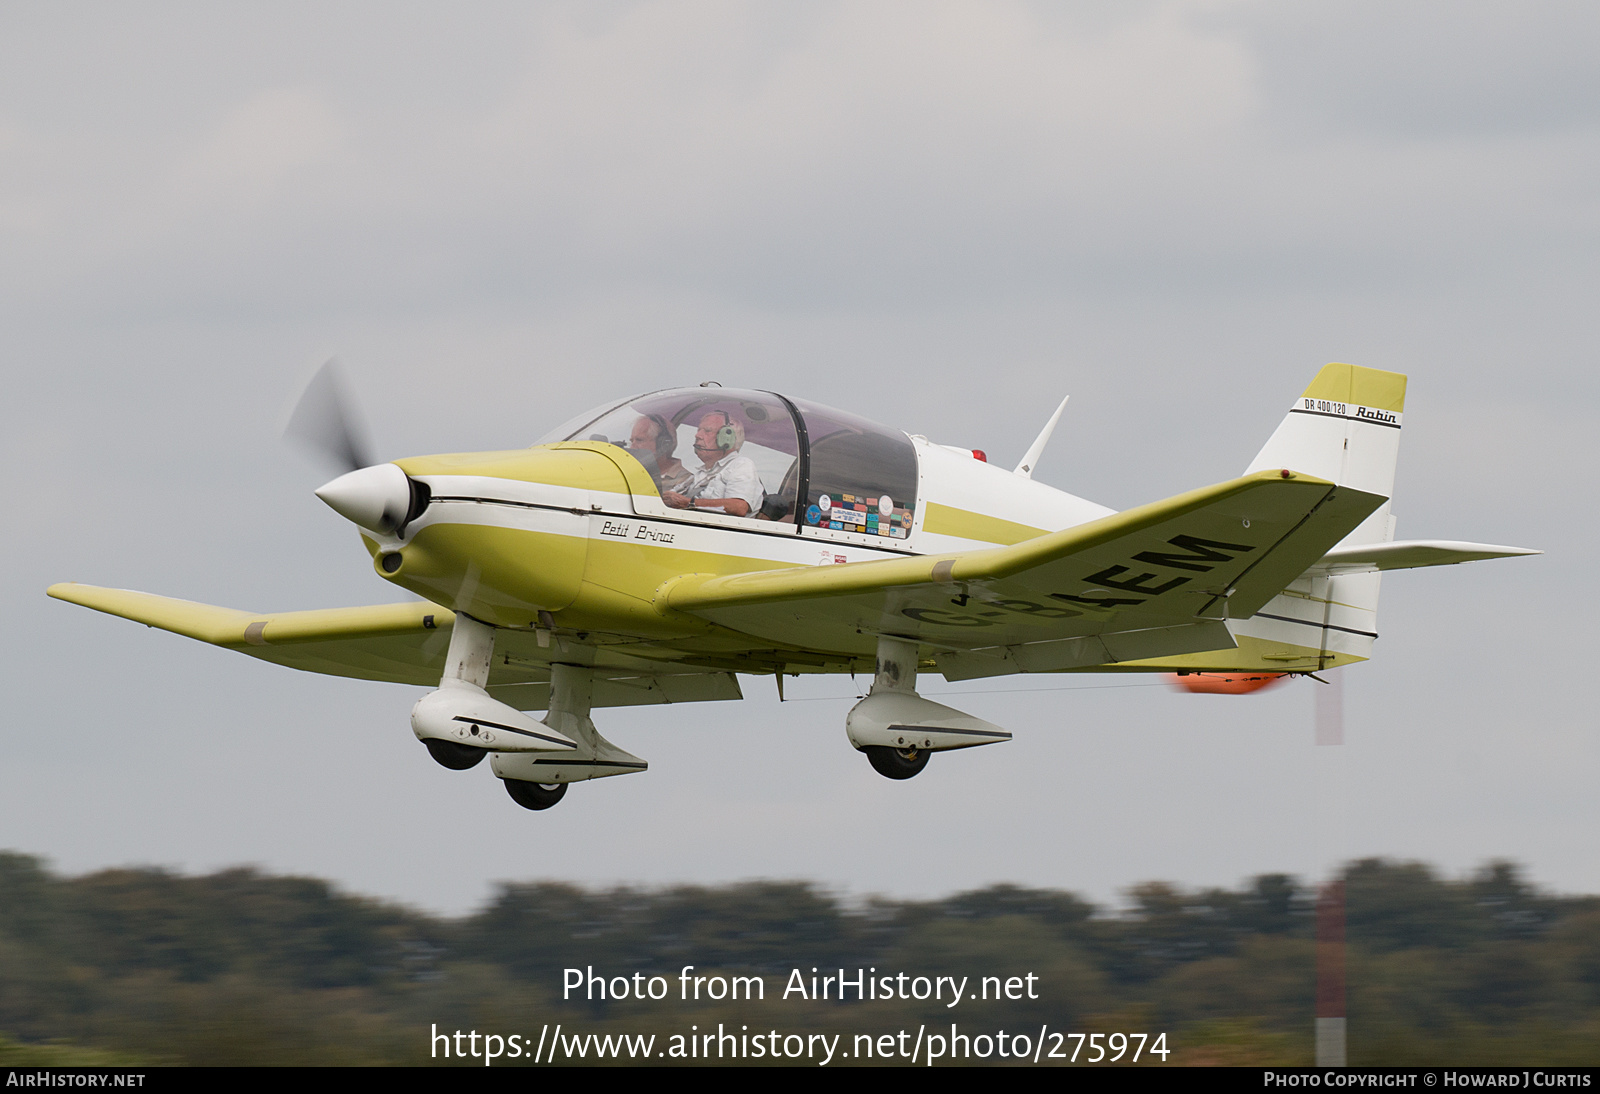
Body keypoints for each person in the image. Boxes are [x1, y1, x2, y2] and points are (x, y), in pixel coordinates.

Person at [663, 411, 764, 517]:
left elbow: (739, 506)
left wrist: (688, 503)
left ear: (727, 438)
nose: (697, 435)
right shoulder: (700, 475)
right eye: (699, 430)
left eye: (707, 431)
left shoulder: (741, 465)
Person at [628, 414, 691, 494]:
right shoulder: (633, 475)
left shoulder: (685, 481)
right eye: (631, 441)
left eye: (639, 440)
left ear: (663, 444)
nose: (632, 448)